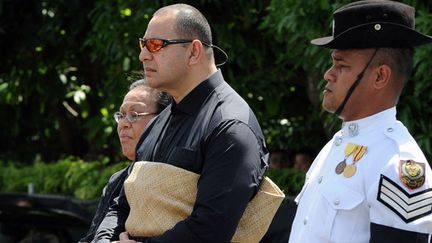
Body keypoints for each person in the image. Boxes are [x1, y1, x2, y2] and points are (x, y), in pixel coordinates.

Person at [93, 3, 268, 243]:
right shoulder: (158, 122)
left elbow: (210, 230)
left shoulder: (231, 125)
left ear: (194, 51)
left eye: (155, 45)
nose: (143, 55)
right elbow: (121, 203)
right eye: (143, 45)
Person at [289, 1, 432, 242]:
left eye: (341, 65)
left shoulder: (397, 163)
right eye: (333, 63)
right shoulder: (336, 145)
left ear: (380, 76)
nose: (328, 74)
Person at [79, 79, 170, 243]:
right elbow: (93, 236)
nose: (123, 124)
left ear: (163, 121)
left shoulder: (178, 175)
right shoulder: (118, 180)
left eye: (134, 115)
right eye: (121, 115)